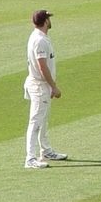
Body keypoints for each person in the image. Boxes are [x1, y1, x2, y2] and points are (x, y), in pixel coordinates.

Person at [24, 9, 68, 168]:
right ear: (45, 21)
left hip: (41, 84)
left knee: (43, 120)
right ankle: (30, 158)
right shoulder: (40, 40)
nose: (50, 20)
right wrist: (53, 87)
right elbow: (42, 67)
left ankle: (46, 150)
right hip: (40, 86)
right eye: (48, 18)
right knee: (36, 121)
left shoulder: (39, 37)